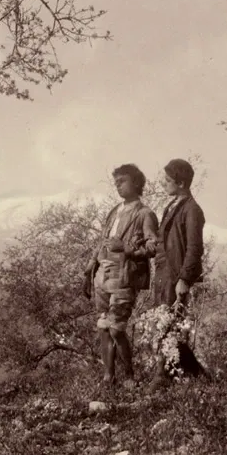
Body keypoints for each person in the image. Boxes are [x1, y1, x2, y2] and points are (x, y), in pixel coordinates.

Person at [83, 164, 159, 388]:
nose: (118, 186)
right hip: (102, 276)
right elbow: (102, 241)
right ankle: (108, 377)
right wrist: (90, 268)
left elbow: (153, 247)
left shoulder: (145, 214)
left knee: (117, 328)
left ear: (136, 183)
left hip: (125, 277)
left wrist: (126, 248)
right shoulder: (114, 211)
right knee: (104, 327)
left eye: (122, 181)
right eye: (116, 182)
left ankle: (129, 377)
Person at [151, 158, 207, 385]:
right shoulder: (172, 206)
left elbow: (195, 248)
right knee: (164, 324)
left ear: (181, 183)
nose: (163, 184)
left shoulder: (192, 210)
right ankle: (197, 375)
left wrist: (184, 279)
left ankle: (162, 377)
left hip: (175, 276)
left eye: (167, 180)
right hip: (163, 275)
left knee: (168, 326)